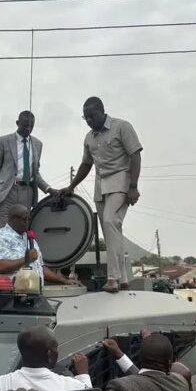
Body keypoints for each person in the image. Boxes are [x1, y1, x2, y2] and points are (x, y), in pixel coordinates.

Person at [58, 97, 142, 293]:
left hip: (121, 179)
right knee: (111, 230)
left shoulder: (122, 127)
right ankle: (123, 278)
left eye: (91, 116)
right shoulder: (89, 137)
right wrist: (71, 186)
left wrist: (134, 186)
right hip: (100, 183)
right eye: (85, 117)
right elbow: (86, 164)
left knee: (110, 220)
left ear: (102, 112)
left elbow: (135, 155)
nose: (88, 120)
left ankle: (112, 278)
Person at [0, 111, 54, 231]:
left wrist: (48, 189)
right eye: (25, 125)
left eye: (31, 126)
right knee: (1, 230)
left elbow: (35, 173)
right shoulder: (3, 141)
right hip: (6, 192)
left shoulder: (38, 144)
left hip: (27, 193)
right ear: (17, 123)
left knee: (22, 230)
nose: (28, 129)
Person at [0, 205, 81, 286]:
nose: (27, 223)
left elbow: (40, 267)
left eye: (29, 219)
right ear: (13, 219)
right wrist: (26, 260)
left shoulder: (30, 239)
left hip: (34, 293)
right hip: (9, 297)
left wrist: (64, 281)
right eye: (24, 219)